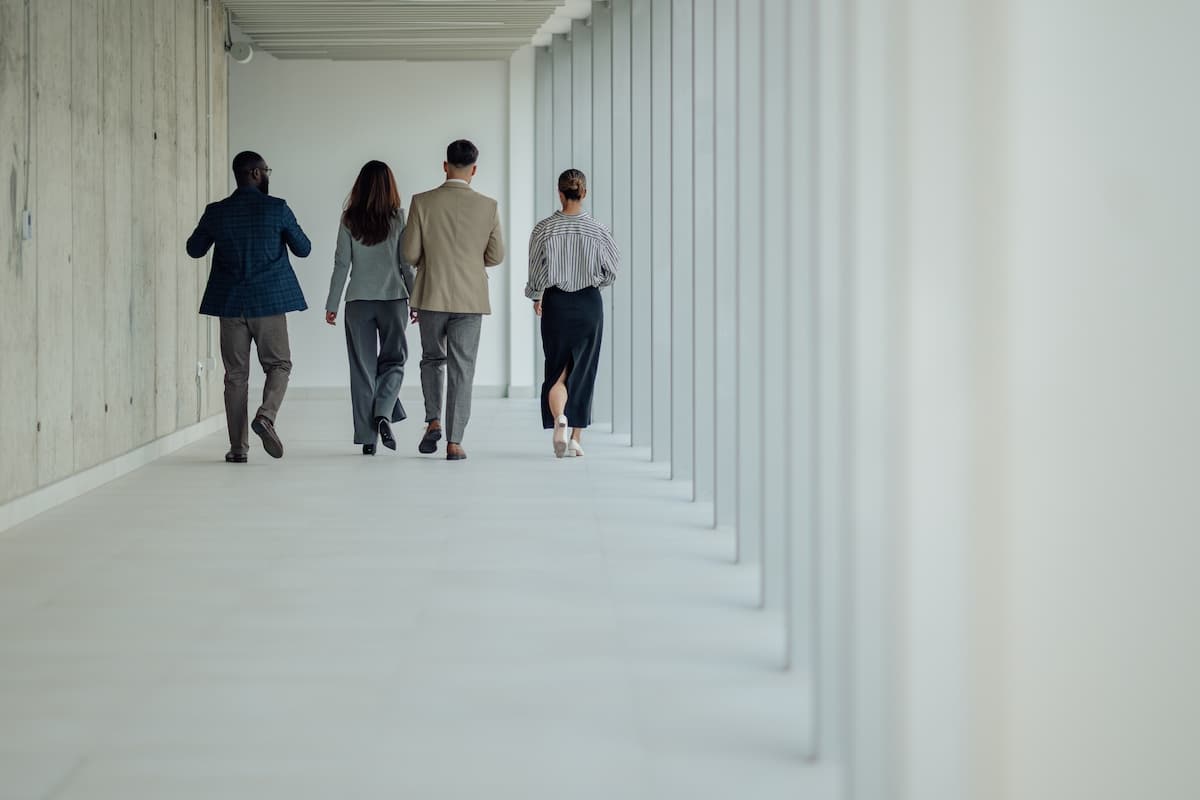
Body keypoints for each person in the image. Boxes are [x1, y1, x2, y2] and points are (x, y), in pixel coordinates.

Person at [186, 151, 311, 463]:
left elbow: (194, 249)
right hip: (269, 302)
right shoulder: (277, 208)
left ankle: (238, 449)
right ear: (255, 173)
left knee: (235, 376)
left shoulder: (217, 212)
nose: (267, 175)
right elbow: (304, 248)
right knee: (279, 365)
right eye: (266, 170)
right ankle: (266, 416)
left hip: (230, 305)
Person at [402, 139, 505, 461]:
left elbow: (409, 253)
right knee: (463, 368)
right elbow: (496, 255)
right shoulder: (488, 206)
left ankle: (433, 420)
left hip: (431, 294)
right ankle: (455, 442)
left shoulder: (422, 202)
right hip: (470, 298)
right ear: (474, 169)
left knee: (433, 359)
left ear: (445, 165)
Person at [526, 169, 620, 458]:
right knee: (584, 370)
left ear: (560, 193)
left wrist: (537, 295)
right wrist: (593, 285)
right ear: (584, 193)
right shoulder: (599, 230)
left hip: (556, 303)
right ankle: (576, 439)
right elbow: (612, 271)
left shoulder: (544, 229)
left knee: (557, 370)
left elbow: (536, 272)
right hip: (589, 304)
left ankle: (560, 419)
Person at [325, 160, 416, 456]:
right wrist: (416, 299)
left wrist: (332, 304)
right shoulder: (399, 218)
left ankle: (368, 439)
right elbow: (406, 265)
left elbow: (341, 264)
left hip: (358, 302)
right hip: (394, 300)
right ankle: (384, 413)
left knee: (362, 370)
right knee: (394, 361)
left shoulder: (349, 219)